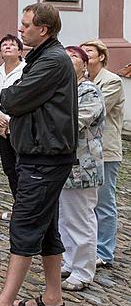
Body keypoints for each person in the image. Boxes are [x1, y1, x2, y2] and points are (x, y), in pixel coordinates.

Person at [0, 2, 77, 306]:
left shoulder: (52, 61)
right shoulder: (42, 58)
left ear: (43, 29)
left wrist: (11, 95)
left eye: (26, 25)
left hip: (46, 156)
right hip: (41, 152)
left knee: (25, 225)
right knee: (45, 227)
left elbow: (11, 99)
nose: (20, 29)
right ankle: (53, 298)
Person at [59, 46, 105, 291]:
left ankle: (83, 271)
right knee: (65, 218)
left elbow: (75, 122)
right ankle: (69, 261)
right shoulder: (64, 90)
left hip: (83, 167)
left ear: (85, 65)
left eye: (74, 56)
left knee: (82, 218)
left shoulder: (89, 91)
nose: (68, 58)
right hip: (64, 166)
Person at [79, 39, 125, 269]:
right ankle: (88, 246)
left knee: (104, 202)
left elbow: (94, 108)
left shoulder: (112, 81)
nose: (85, 55)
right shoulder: (81, 82)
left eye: (89, 51)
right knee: (87, 202)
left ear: (101, 57)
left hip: (106, 150)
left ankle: (104, 251)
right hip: (85, 150)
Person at [0, 34, 26, 217]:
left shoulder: (26, 70)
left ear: (20, 50)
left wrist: (8, 121)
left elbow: (24, 100)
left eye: (12, 44)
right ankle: (18, 205)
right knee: (9, 168)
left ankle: (25, 208)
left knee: (21, 167)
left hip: (18, 127)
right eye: (4, 45)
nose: (8, 47)